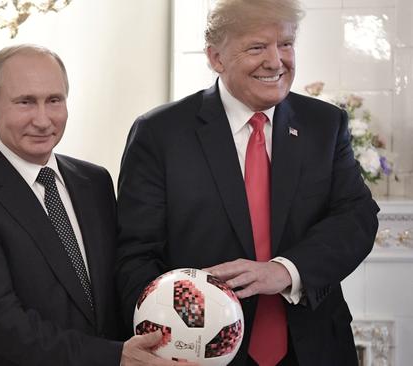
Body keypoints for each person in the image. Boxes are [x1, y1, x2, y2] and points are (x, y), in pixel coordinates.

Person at [116, 0, 380, 365]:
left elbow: (357, 219)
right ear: (216, 57)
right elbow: (135, 254)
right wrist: (170, 332)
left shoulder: (325, 124)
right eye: (257, 47)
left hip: (315, 346)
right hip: (199, 354)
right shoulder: (160, 134)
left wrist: (284, 271)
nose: (276, 60)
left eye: (285, 44)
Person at [0, 44, 198, 366]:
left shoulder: (95, 181)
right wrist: (114, 356)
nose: (43, 120)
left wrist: (180, 300)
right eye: (25, 102)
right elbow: (1, 325)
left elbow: (117, 283)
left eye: (54, 100)